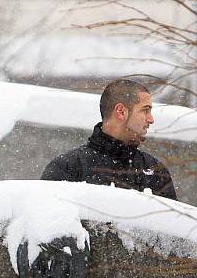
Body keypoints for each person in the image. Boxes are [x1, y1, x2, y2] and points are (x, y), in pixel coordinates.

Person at [41, 79, 177, 200]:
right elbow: (48, 221)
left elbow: (171, 226)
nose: (151, 119)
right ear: (121, 111)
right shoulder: (68, 167)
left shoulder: (155, 170)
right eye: (145, 110)